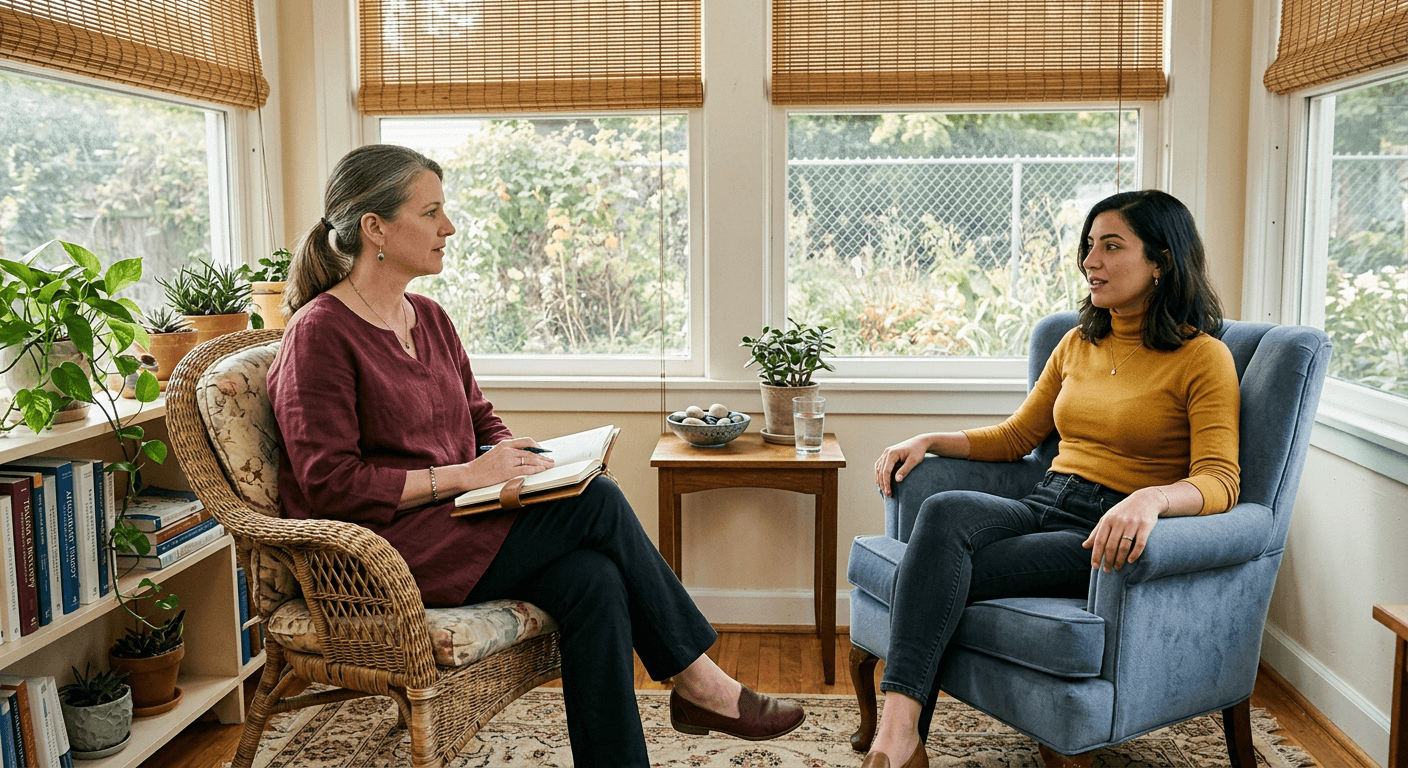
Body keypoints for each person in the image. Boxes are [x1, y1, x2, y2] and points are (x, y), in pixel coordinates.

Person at [267, 144, 805, 767]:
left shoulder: (428, 318)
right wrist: (467, 475)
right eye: (431, 212)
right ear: (375, 228)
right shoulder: (320, 333)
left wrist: (519, 459)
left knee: (594, 580)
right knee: (597, 500)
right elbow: (331, 484)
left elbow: (478, 418)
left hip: (454, 526)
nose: (449, 227)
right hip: (375, 555)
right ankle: (701, 684)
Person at [863, 190, 1241, 768]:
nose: (1090, 261)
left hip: (1099, 532)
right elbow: (1018, 436)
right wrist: (929, 440)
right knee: (943, 510)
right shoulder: (1078, 342)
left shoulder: (1203, 357)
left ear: (1161, 261)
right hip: (1043, 501)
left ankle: (895, 742)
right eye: (1089, 246)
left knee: (935, 573)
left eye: (1111, 246)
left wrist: (1152, 499)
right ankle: (902, 739)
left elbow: (1220, 479)